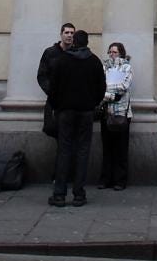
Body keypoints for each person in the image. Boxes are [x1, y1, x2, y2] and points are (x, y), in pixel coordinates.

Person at [46, 28, 104, 208]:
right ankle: (79, 194)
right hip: (86, 111)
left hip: (65, 111)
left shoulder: (61, 60)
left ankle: (59, 195)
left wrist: (57, 106)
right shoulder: (94, 62)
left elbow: (53, 88)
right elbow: (101, 88)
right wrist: (92, 103)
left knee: (64, 151)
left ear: (75, 42)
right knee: (83, 151)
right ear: (87, 43)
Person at [98, 41, 132, 191]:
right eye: (110, 52)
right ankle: (105, 179)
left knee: (121, 148)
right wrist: (111, 94)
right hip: (107, 112)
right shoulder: (104, 67)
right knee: (107, 148)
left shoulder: (127, 67)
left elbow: (124, 87)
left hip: (122, 113)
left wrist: (107, 91)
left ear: (121, 53)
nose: (112, 54)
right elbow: (99, 86)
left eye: (115, 52)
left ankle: (120, 180)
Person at [37, 22, 75, 137]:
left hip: (72, 102)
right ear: (61, 34)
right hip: (55, 100)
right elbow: (42, 75)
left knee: (70, 133)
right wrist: (52, 91)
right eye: (66, 32)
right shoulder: (50, 52)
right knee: (53, 129)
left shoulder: (76, 53)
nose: (69, 35)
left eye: (72, 33)